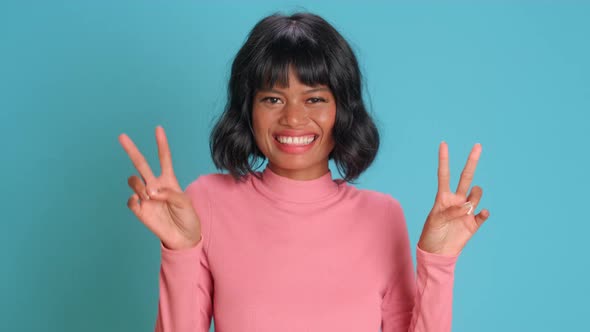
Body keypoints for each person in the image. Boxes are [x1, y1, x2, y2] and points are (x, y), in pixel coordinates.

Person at [118, 12, 489, 332]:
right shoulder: (208, 200)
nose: (293, 117)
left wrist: (438, 262)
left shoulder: (382, 216)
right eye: (273, 99)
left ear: (342, 110)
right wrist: (180, 252)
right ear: (248, 109)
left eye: (314, 99)